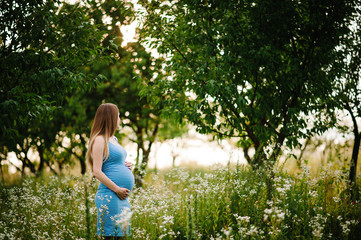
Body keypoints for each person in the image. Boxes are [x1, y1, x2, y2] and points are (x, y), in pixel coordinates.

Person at [86, 103, 135, 239]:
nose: (119, 119)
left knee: (121, 236)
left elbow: (113, 162)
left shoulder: (113, 139)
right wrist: (117, 189)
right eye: (118, 116)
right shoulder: (99, 140)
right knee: (110, 236)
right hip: (110, 195)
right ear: (111, 117)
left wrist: (127, 167)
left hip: (120, 196)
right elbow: (96, 171)